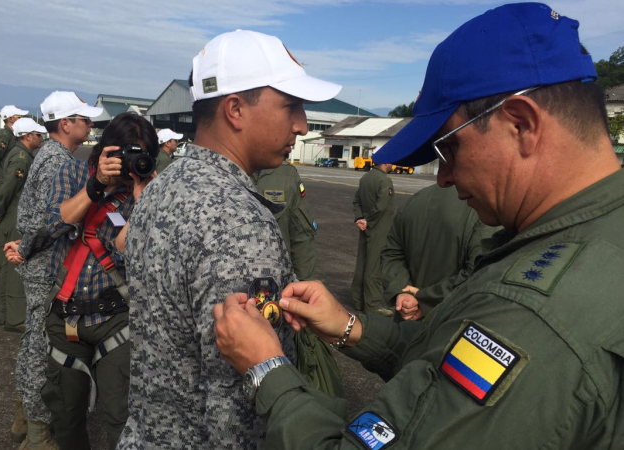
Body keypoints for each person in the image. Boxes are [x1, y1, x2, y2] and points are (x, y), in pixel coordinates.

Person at [213, 3, 624, 448]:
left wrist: (267, 369)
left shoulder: (528, 317)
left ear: (521, 124)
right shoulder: (594, 234)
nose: (444, 178)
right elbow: (441, 360)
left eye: (448, 150)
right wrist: (352, 326)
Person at [119, 29, 341, 450]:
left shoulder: (161, 188)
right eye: (291, 105)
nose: (302, 124)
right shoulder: (239, 221)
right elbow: (240, 403)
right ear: (235, 109)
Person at [42, 113, 156, 450]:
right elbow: (53, 224)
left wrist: (146, 199)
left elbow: (128, 248)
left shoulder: (145, 190)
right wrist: (96, 187)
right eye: (122, 154)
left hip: (117, 318)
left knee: (122, 415)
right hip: (66, 316)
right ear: (104, 151)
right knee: (66, 414)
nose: (128, 164)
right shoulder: (74, 172)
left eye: (139, 154)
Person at [3, 91, 102, 449]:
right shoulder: (62, 162)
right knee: (42, 346)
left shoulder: (49, 154)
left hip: (39, 261)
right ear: (65, 124)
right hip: (48, 265)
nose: (90, 125)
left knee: (33, 341)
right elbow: (53, 222)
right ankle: (37, 431)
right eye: (85, 119)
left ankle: (24, 417)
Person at [253, 160, 343, 397]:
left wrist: (305, 294)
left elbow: (302, 234)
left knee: (276, 378)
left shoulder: (285, 175)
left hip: (274, 302)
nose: (299, 129)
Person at [381, 184, 497, 321]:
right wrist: (425, 299)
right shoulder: (484, 209)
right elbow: (480, 273)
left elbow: (392, 253)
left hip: (406, 320)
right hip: (450, 322)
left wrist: (403, 293)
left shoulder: (416, 199)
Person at [0, 118, 45, 333]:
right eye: (38, 134)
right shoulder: (22, 158)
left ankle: (6, 314)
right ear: (27, 136)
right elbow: (6, 189)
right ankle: (14, 318)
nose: (41, 138)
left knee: (8, 267)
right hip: (15, 215)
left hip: (11, 213)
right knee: (16, 267)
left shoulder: (20, 154)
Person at [0, 105, 27, 277]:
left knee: (5, 221)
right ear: (11, 119)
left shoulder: (11, 136)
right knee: (0, 223)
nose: (21, 119)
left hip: (4, 182)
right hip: (3, 184)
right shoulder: (5, 135)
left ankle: (2, 262)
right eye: (19, 117)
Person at [350, 161, 395, 315]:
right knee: (374, 266)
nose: (393, 165)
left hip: (365, 227)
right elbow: (381, 206)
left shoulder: (366, 177)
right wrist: (369, 220)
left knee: (361, 263)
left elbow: (356, 200)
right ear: (385, 162)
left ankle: (358, 300)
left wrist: (360, 218)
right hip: (378, 227)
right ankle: (373, 305)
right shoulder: (384, 180)